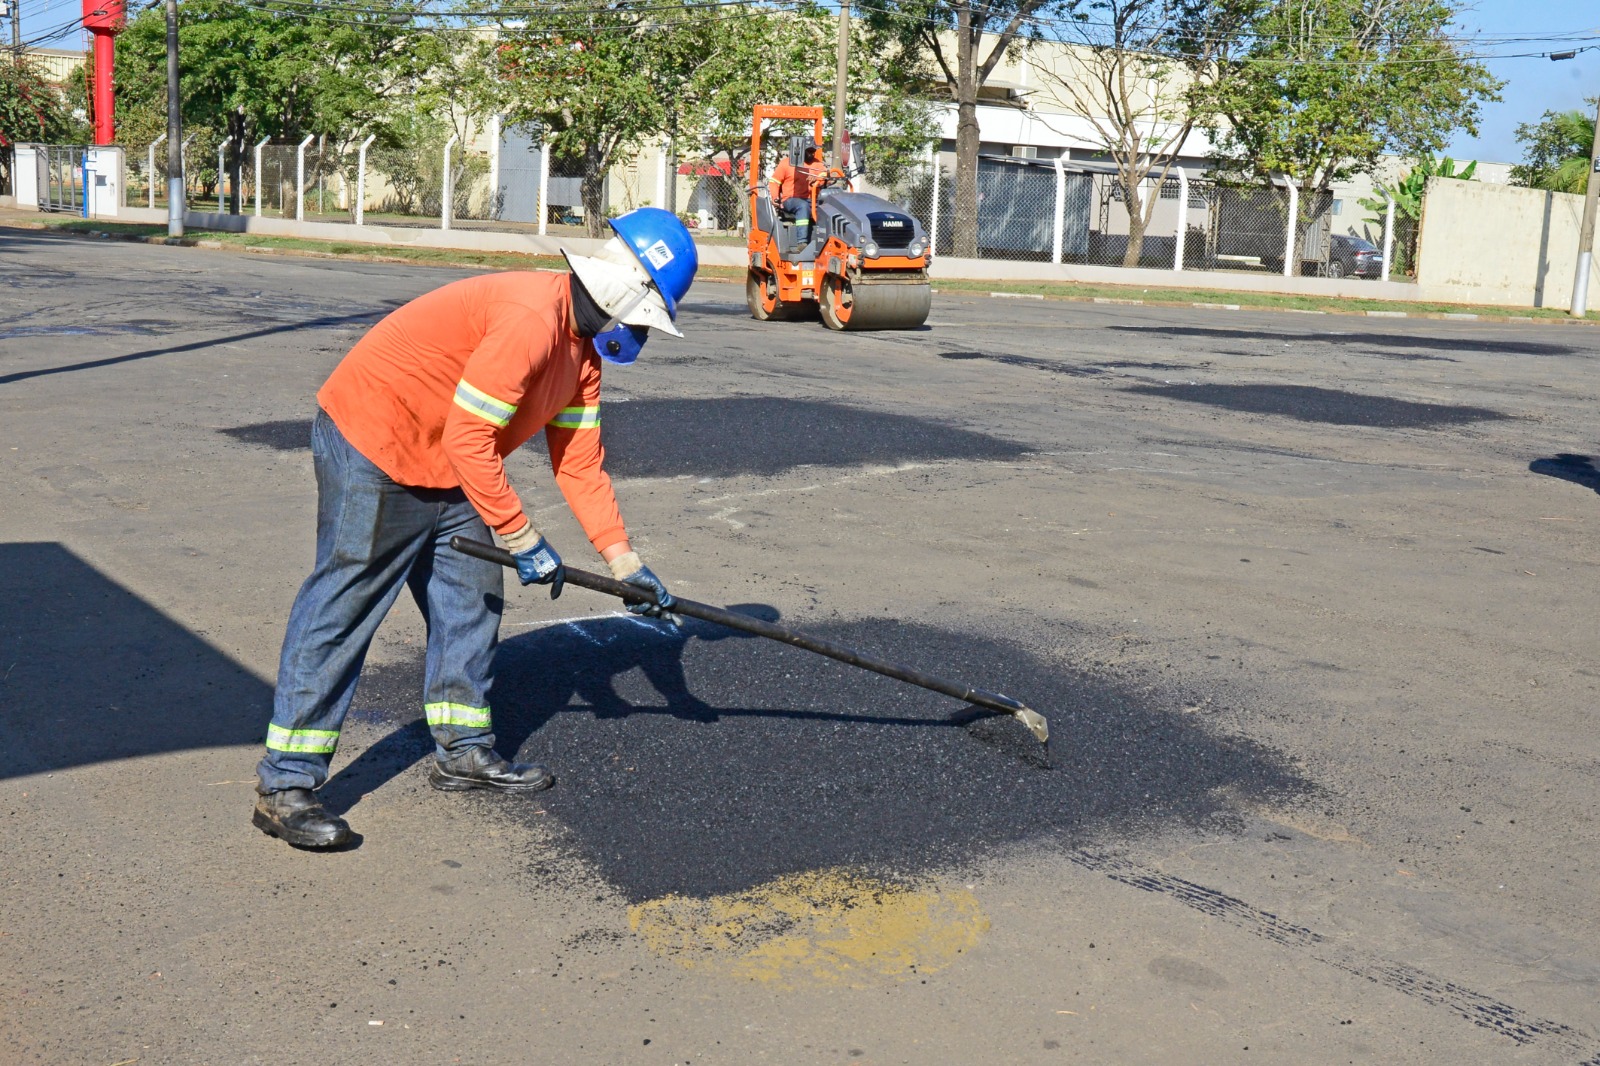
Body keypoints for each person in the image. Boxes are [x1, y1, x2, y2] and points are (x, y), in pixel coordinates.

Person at [251, 207, 698, 850]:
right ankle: (285, 785)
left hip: (452, 460)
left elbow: (579, 465)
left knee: (472, 598)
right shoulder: (530, 321)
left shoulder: (581, 355)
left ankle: (464, 750)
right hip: (378, 440)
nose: (640, 332)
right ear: (626, 293)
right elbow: (469, 436)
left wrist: (624, 562)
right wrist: (521, 537)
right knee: (345, 606)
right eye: (645, 316)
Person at [769, 144, 826, 221]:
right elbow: (774, 181)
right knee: (803, 206)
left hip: (811, 200)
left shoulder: (817, 164)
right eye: (809, 151)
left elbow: (824, 176)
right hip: (790, 199)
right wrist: (775, 197)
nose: (812, 154)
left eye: (813, 151)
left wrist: (817, 178)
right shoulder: (786, 163)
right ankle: (802, 233)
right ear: (801, 151)